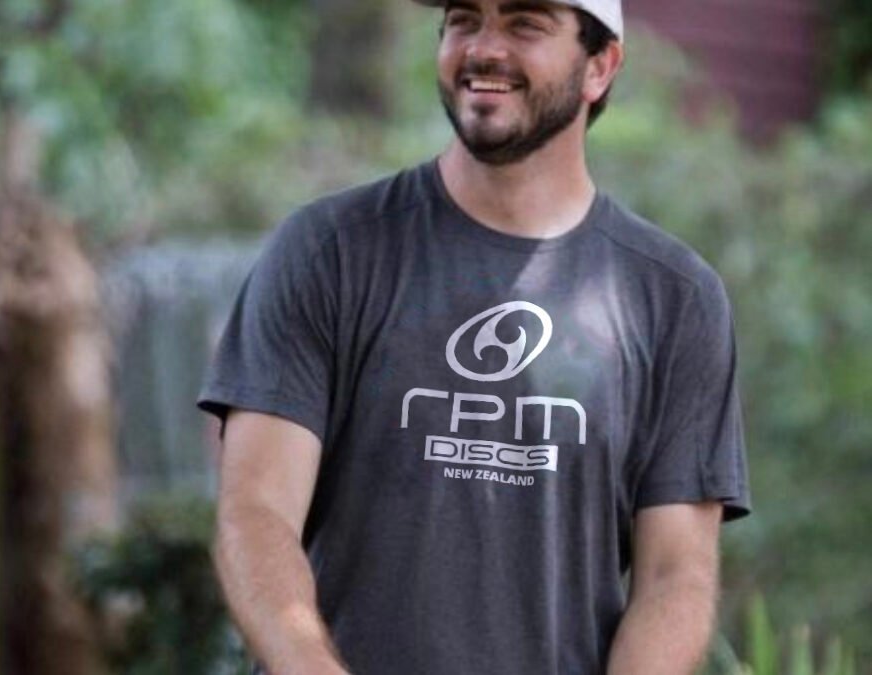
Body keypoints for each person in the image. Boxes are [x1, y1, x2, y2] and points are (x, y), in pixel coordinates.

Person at [197, 0, 752, 673]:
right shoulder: (328, 253)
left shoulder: (674, 298)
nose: (483, 48)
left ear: (600, 66)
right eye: (464, 19)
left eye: (524, 23)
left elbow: (674, 576)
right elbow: (256, 514)